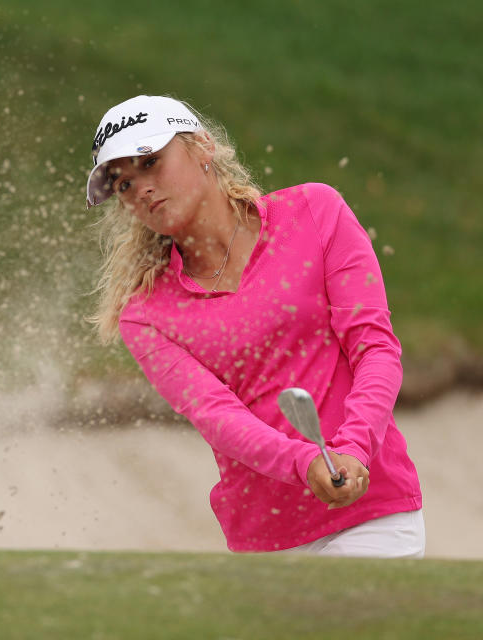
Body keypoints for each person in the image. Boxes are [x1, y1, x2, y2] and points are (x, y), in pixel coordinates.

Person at [86, 95, 424, 557]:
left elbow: (375, 347)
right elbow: (218, 416)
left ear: (202, 147)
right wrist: (308, 463)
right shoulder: (145, 313)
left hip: (372, 511)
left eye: (150, 162)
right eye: (123, 184)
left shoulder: (314, 212)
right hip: (265, 538)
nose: (140, 188)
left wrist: (353, 449)